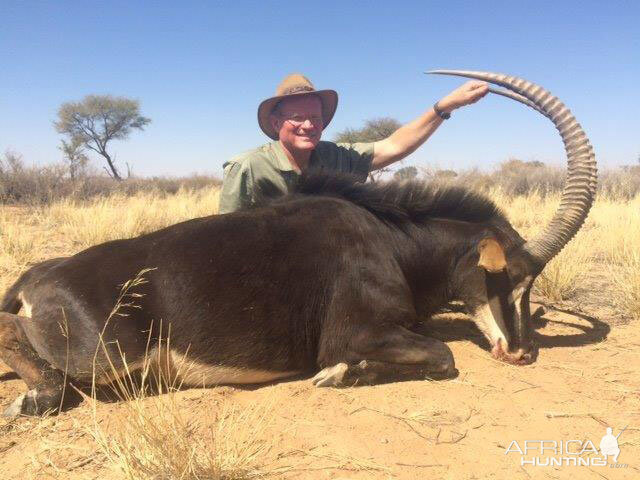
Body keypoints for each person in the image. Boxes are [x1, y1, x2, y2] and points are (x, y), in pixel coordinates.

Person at [219, 73, 488, 214]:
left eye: (315, 117)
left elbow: (393, 146)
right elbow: (225, 236)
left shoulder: (336, 157)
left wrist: (444, 107)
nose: (309, 125)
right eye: (297, 117)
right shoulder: (247, 167)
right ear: (277, 123)